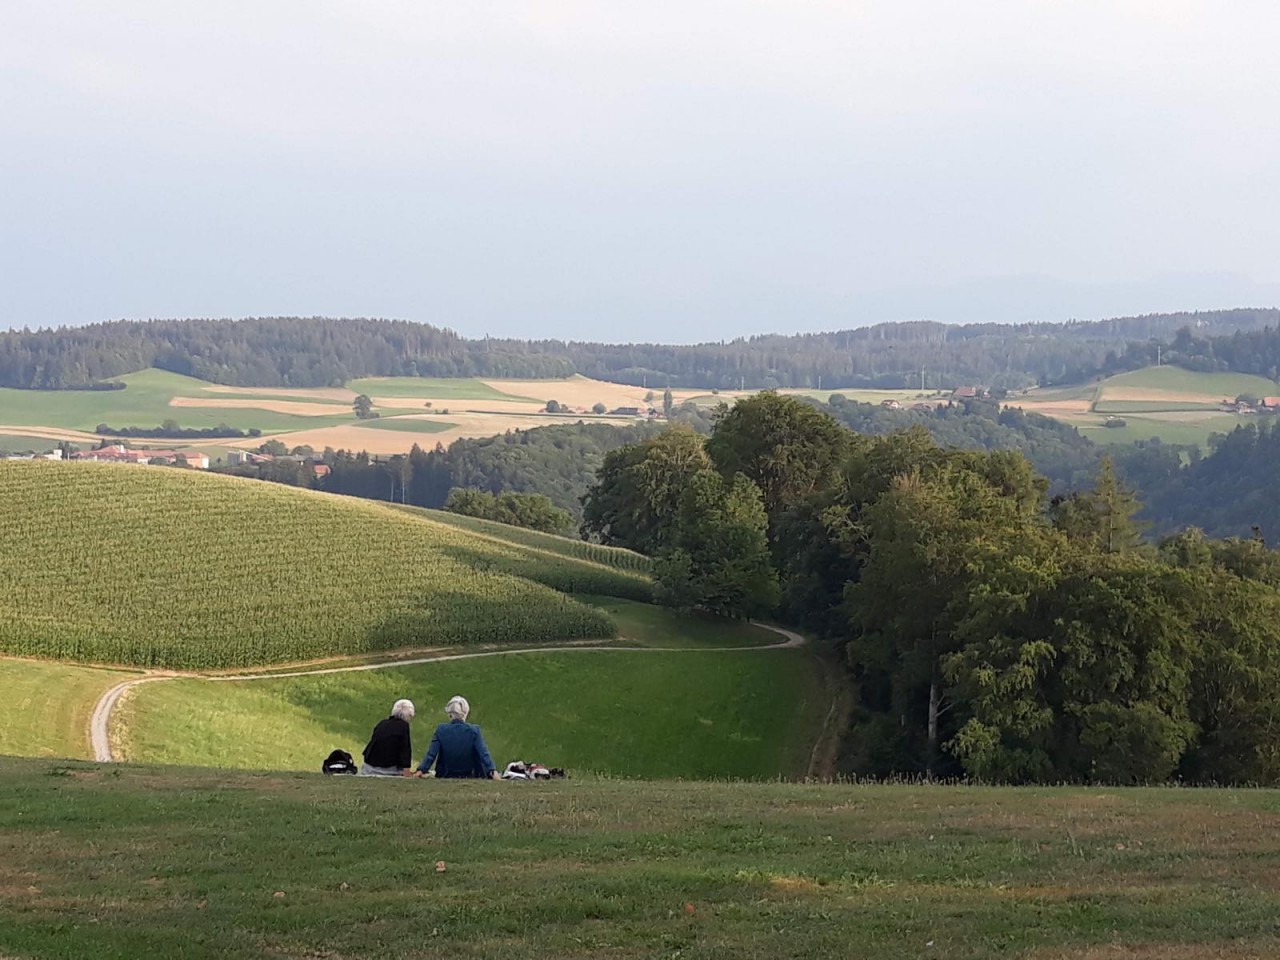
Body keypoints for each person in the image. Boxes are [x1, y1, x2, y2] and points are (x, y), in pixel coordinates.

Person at [415, 695, 498, 779]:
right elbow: (483, 753)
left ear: (449, 714)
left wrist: (421, 770)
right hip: (470, 775)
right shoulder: (474, 731)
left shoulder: (441, 730)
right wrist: (492, 771)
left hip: (445, 775)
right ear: (465, 713)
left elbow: (431, 755)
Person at [359, 698, 417, 777]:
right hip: (387, 769)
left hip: (369, 766)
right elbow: (405, 750)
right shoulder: (403, 726)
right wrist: (407, 772)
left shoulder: (382, 723)